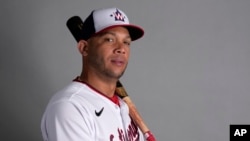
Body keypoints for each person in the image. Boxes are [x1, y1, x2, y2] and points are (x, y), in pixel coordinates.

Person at [41, 7, 155, 141]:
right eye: (110, 40)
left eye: (126, 42)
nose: (121, 49)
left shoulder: (124, 107)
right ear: (84, 48)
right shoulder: (70, 107)